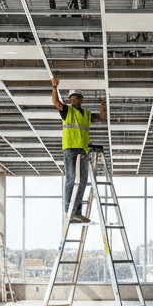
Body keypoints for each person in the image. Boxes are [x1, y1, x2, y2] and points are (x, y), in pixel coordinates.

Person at [51, 79, 107, 222]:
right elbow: (56, 102)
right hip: (69, 148)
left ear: (81, 99)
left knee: (83, 180)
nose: (74, 100)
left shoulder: (87, 115)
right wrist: (54, 86)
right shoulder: (67, 110)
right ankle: (68, 210)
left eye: (77, 98)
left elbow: (103, 117)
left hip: (83, 150)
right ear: (69, 100)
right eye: (72, 98)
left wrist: (103, 102)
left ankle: (76, 211)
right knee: (71, 179)